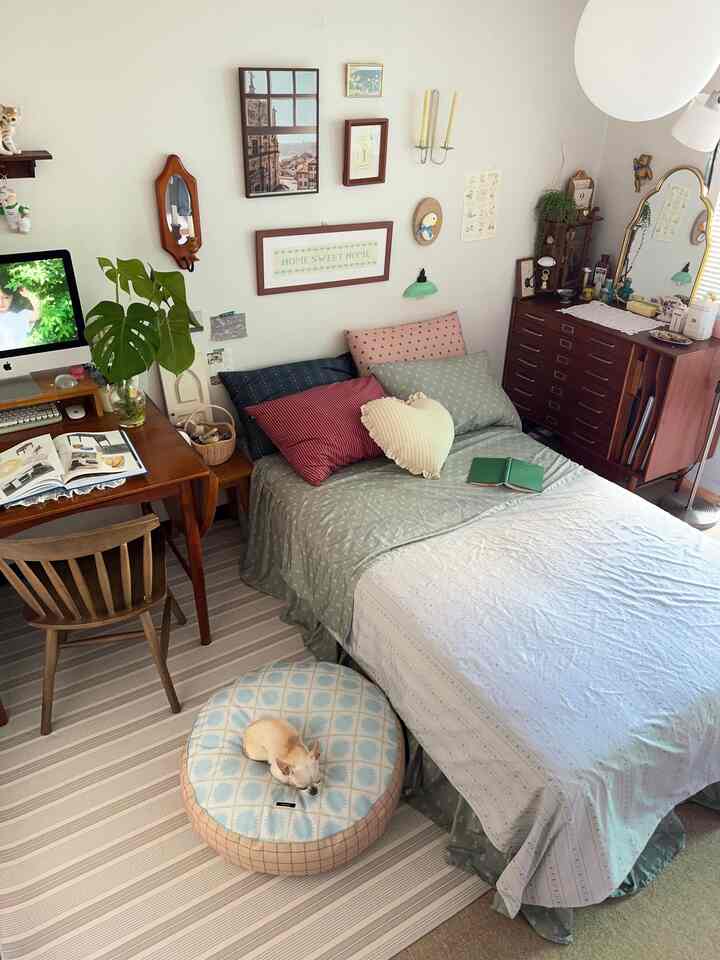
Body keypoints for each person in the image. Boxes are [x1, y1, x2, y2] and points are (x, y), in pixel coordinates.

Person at [0, 283, 40, 351]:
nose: (1, 302)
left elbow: (37, 314)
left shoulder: (20, 316)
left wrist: (29, 295)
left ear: (12, 298)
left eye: (6, 297)